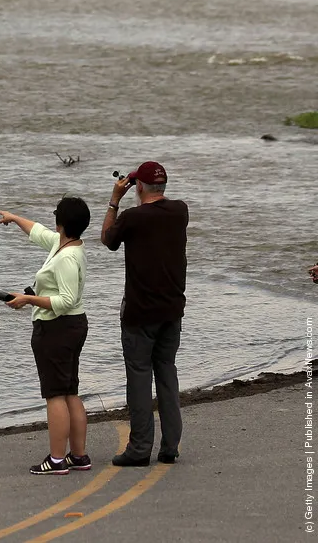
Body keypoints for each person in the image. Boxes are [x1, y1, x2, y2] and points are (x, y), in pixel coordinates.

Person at [101, 161, 188, 466]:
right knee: (167, 373)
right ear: (163, 186)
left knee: (139, 378)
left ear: (137, 187)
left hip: (140, 312)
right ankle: (170, 446)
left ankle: (139, 449)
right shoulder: (180, 211)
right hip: (172, 309)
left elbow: (107, 239)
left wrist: (114, 199)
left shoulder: (132, 217)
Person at [0, 197, 92, 476]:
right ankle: (79, 455)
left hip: (57, 329)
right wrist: (14, 218)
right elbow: (39, 233)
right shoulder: (68, 244)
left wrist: (27, 299)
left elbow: (65, 300)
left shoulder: (65, 257)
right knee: (69, 391)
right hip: (73, 326)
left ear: (61, 222)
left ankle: (57, 459)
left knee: (55, 395)